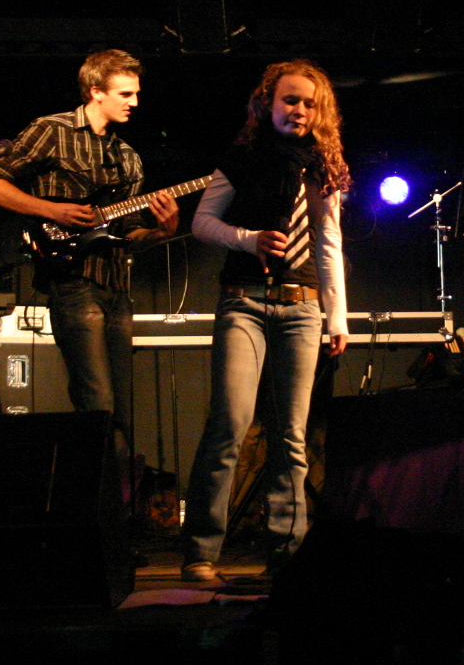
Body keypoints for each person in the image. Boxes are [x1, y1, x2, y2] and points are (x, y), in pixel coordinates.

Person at [181, 60, 351, 583]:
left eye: (308, 103)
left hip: (302, 307)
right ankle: (201, 551)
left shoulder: (324, 167)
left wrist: (337, 317)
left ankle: (286, 555)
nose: (299, 110)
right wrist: (248, 239)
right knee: (230, 423)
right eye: (289, 100)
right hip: (244, 301)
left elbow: (328, 244)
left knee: (291, 435)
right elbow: (202, 223)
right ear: (268, 104)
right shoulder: (241, 158)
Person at [0, 49, 179, 468]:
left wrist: (162, 231)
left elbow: (129, 235)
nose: (134, 102)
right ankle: (92, 493)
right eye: (125, 93)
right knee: (97, 401)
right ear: (95, 91)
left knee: (121, 409)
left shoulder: (128, 157)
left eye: (136, 94)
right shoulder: (52, 130)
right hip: (72, 282)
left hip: (117, 289)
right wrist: (52, 210)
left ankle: (116, 495)